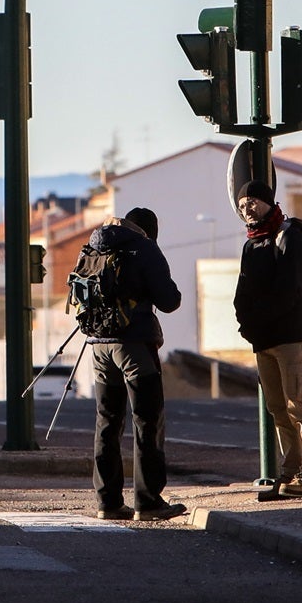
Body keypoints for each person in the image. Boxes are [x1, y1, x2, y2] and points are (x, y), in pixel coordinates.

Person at [79, 206, 186, 521]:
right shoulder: (144, 248)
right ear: (149, 231)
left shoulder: (94, 244)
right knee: (147, 421)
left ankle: (108, 502)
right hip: (134, 345)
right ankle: (148, 501)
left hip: (98, 346)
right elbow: (170, 301)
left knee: (107, 423)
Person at [232, 179, 302, 500]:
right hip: (263, 339)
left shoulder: (290, 236)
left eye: (253, 202)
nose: (247, 209)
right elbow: (242, 293)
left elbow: (289, 289)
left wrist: (259, 320)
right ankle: (290, 470)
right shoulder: (252, 243)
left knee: (299, 406)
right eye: (243, 204)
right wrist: (247, 325)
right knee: (278, 409)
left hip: (292, 336)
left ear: (268, 203)